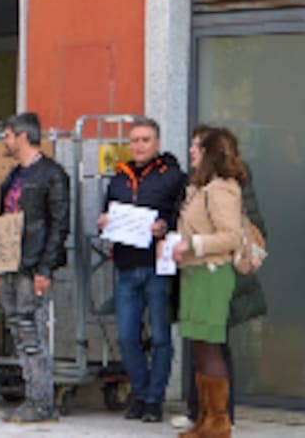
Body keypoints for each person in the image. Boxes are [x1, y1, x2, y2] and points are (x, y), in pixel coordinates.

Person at [174, 126, 266, 430]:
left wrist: (192, 244)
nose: (192, 151)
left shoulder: (222, 188)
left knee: (211, 348)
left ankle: (218, 423)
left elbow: (230, 236)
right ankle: (204, 420)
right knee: (200, 349)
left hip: (212, 273)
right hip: (196, 272)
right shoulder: (201, 187)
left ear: (209, 154)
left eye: (198, 148)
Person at [95, 117, 185, 423]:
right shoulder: (118, 179)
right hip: (126, 267)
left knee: (160, 338)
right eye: (134, 140)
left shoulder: (173, 177)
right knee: (126, 337)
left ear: (157, 143)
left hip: (158, 268)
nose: (139, 146)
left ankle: (154, 400)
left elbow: (184, 217)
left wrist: (165, 226)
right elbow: (107, 214)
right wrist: (104, 223)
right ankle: (142, 394)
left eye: (145, 140)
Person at [0, 112, 69, 423]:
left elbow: (59, 225)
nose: (5, 141)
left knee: (30, 331)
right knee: (19, 329)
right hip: (10, 263)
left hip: (31, 263)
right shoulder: (14, 175)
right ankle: (33, 397)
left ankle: (41, 402)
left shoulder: (51, 174)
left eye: (8, 136)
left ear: (22, 137)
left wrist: (44, 268)